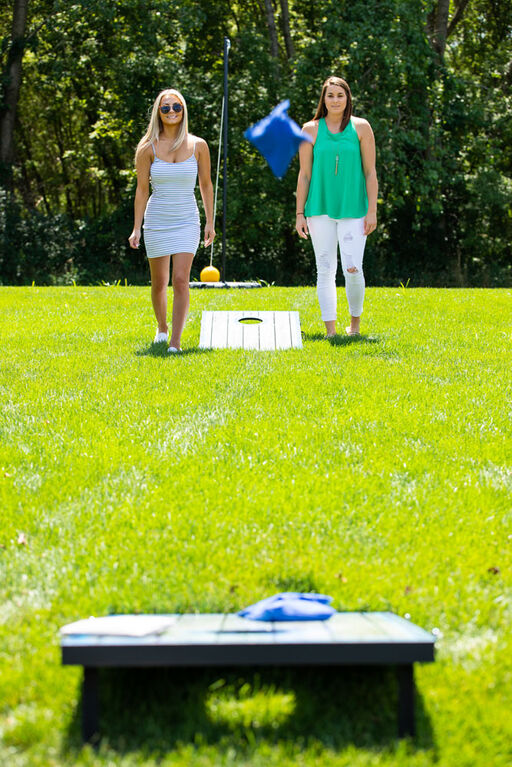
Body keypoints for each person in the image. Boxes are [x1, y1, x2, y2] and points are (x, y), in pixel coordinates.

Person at [129, 88, 215, 352]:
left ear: (183, 110)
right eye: (165, 108)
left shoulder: (198, 145)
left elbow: (206, 185)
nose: (171, 112)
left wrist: (210, 222)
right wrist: (136, 229)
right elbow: (142, 190)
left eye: (176, 107)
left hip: (187, 218)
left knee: (180, 279)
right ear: (158, 113)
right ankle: (162, 328)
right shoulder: (147, 148)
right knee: (159, 283)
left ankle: (175, 343)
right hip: (157, 220)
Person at [296, 76, 378, 337]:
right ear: (323, 99)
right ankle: (330, 331)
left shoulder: (362, 128)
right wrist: (299, 213)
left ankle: (354, 326)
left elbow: (370, 173)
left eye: (339, 95)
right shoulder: (310, 130)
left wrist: (373, 211)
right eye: (330, 95)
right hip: (319, 208)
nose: (335, 100)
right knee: (325, 268)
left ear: (347, 98)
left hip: (355, 208)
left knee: (353, 268)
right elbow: (304, 175)